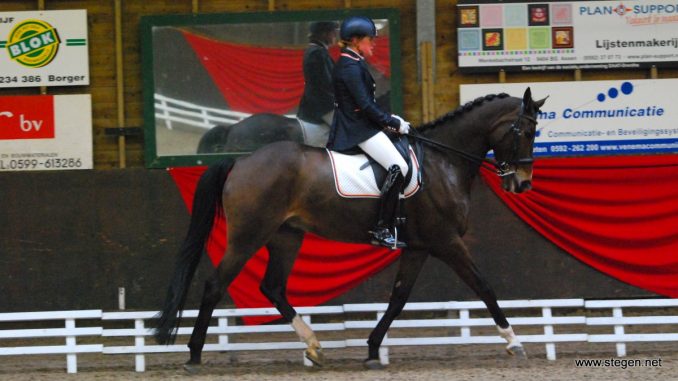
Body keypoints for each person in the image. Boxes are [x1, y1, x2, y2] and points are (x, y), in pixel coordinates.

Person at [326, 16, 411, 249]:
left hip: (360, 124)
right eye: (369, 40)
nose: (373, 44)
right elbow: (364, 105)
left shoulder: (352, 61)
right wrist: (393, 122)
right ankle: (382, 228)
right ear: (355, 41)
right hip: (356, 129)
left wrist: (392, 121)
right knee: (399, 167)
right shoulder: (350, 67)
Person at [297, 21, 338, 128]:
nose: (335, 36)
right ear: (324, 34)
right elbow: (326, 83)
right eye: (333, 32)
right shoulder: (317, 53)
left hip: (321, 102)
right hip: (322, 105)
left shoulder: (317, 51)